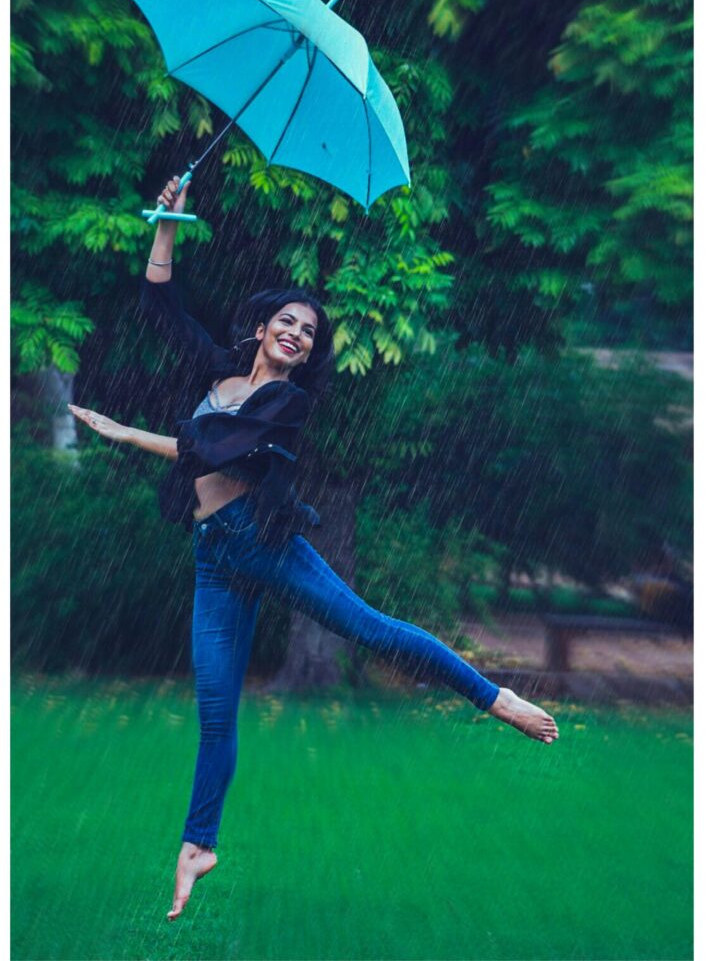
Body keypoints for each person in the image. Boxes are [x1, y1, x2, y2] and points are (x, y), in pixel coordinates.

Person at [69, 176, 559, 922]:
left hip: (262, 543)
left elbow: (213, 448)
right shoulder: (220, 372)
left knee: (371, 629)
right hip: (213, 556)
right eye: (288, 322)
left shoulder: (286, 404)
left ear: (306, 353)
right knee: (215, 711)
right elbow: (161, 304)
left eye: (309, 333)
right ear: (264, 326)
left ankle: (496, 698)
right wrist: (168, 220)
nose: (297, 333)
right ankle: (199, 844)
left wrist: (128, 433)